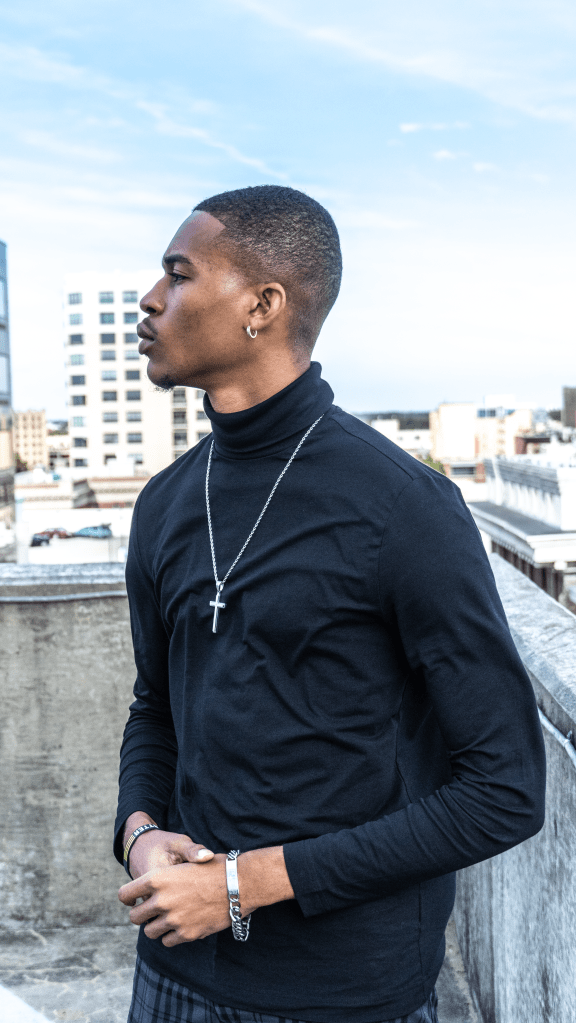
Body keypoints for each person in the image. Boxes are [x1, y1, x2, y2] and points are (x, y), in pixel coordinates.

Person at [115, 184, 546, 1023]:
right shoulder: (164, 502)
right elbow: (155, 707)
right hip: (176, 970)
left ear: (263, 305)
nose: (151, 298)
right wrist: (138, 830)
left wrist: (243, 883)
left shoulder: (404, 505)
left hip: (348, 992)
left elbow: (505, 788)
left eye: (179, 273)